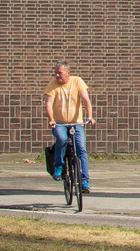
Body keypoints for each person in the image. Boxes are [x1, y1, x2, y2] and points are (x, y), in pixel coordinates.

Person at [44, 62, 95, 192]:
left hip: (76, 123)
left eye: (59, 73)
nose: (57, 75)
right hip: (59, 123)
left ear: (68, 73)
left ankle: (84, 181)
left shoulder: (77, 81)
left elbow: (85, 100)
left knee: (81, 148)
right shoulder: (53, 84)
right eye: (56, 73)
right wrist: (51, 120)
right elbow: (49, 104)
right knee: (61, 139)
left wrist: (89, 117)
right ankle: (59, 166)